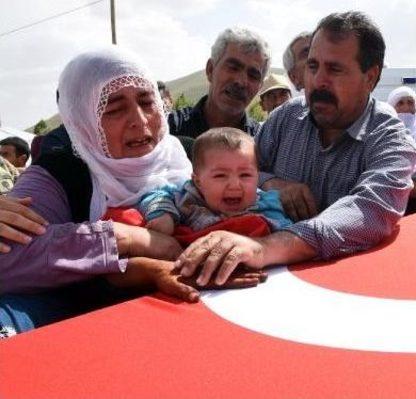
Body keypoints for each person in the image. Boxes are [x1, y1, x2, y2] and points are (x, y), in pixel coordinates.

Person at [0, 48, 264, 335]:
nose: (139, 120)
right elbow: (7, 257)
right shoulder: (60, 173)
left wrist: (277, 186)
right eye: (114, 109)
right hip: (102, 331)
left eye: (146, 101)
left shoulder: (192, 154)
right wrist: (123, 237)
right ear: (82, 118)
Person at [174, 11, 416, 287]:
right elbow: (250, 170)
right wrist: (275, 184)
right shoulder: (286, 118)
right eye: (312, 66)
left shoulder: (390, 139)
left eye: (335, 69)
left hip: (347, 292)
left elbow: (371, 211)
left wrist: (265, 248)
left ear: (370, 77)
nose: (318, 81)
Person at [37, 27, 271, 158]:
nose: (241, 81)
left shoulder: (265, 142)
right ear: (210, 69)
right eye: (233, 67)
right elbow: (69, 140)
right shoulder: (166, 127)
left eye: (253, 75)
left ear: (259, 87)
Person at [138, 128, 291, 244]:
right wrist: (163, 215)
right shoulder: (187, 197)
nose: (234, 185)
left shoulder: (268, 207)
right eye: (220, 175)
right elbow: (154, 195)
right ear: (198, 182)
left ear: (257, 177)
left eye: (245, 175)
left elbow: (288, 237)